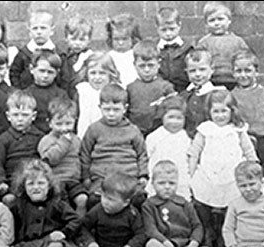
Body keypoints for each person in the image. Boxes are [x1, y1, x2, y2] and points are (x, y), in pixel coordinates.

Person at [188, 89, 258, 247]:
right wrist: (191, 174)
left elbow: (249, 152)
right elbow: (194, 152)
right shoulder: (205, 129)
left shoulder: (238, 130)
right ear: (209, 112)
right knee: (201, 197)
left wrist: (254, 169)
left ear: (232, 110)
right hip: (209, 174)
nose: (220, 116)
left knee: (232, 203)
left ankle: (225, 234)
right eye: (216, 111)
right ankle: (208, 231)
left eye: (224, 111)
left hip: (231, 176)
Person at [5, 159, 81, 247]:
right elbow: (13, 226)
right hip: (31, 245)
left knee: (56, 246)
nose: (36, 187)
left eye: (41, 183)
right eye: (30, 184)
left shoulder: (57, 204)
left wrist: (64, 232)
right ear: (23, 186)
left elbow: (75, 220)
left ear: (49, 185)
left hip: (51, 242)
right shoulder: (19, 206)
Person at [80, 83, 148, 211]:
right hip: (102, 178)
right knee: (95, 201)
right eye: (107, 109)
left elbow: (142, 154)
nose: (111, 114)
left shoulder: (133, 130)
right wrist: (86, 177)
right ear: (100, 107)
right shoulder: (94, 129)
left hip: (127, 176)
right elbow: (85, 154)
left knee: (139, 200)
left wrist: (143, 175)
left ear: (125, 108)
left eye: (116, 110)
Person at [143, 160, 212, 247]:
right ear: (153, 184)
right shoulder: (149, 205)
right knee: (151, 245)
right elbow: (151, 230)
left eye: (171, 183)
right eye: (161, 183)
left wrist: (194, 242)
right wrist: (165, 242)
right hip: (164, 246)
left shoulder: (184, 203)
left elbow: (197, 226)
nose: (167, 187)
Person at [79, 170, 147, 247]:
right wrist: (90, 243)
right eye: (104, 196)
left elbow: (141, 234)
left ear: (126, 202)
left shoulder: (132, 214)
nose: (105, 201)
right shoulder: (97, 210)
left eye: (111, 199)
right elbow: (83, 228)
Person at [0, 90, 44, 207]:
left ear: (33, 116)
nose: (20, 119)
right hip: (11, 183)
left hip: (34, 181)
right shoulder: (4, 139)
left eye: (25, 115)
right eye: (15, 115)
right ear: (8, 116)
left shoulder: (39, 137)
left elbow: (44, 161)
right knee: (10, 200)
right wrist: (2, 182)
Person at [38, 97, 88, 216]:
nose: (64, 128)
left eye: (68, 123)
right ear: (50, 123)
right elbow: (50, 159)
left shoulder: (76, 140)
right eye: (59, 124)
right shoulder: (46, 140)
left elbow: (81, 159)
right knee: (61, 204)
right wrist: (63, 142)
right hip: (56, 180)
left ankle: (79, 225)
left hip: (73, 181)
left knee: (83, 199)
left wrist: (85, 177)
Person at [231, 50, 264, 163]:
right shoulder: (231, 96)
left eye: (248, 71)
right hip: (244, 141)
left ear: (256, 72)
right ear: (233, 73)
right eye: (238, 71)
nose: (243, 75)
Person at [145, 96, 192, 201]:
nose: (174, 122)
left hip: (180, 180)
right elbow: (147, 156)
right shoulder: (155, 137)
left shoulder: (186, 138)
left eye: (179, 118)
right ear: (162, 117)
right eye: (170, 117)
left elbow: (189, 160)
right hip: (159, 178)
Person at [196, 1, 250, 90]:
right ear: (206, 24)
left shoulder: (238, 41)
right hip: (211, 81)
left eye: (220, 19)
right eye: (212, 20)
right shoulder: (203, 43)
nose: (217, 23)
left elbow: (247, 59)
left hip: (234, 81)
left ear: (229, 20)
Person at [126, 39, 175, 137]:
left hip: (160, 133)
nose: (147, 70)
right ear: (134, 65)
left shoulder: (166, 87)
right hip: (136, 133)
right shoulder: (130, 88)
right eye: (142, 66)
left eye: (151, 65)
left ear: (159, 64)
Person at [9, 10, 66, 90]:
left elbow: (64, 78)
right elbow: (14, 74)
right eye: (35, 28)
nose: (39, 32)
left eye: (43, 28)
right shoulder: (23, 54)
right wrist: (20, 92)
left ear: (52, 31)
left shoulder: (58, 54)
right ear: (29, 31)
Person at [178, 48, 224, 138]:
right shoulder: (183, 96)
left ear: (212, 70)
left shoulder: (218, 94)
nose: (197, 74)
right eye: (192, 71)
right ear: (186, 72)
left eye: (202, 69)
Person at [75, 51, 120, 139]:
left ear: (110, 74)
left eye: (102, 73)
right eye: (93, 73)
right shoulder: (82, 91)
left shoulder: (115, 91)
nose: (97, 77)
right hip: (85, 134)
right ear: (86, 73)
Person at [24, 49, 69, 134]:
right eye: (41, 71)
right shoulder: (26, 94)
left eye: (50, 72)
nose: (45, 76)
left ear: (56, 73)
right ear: (31, 69)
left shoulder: (61, 95)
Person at [155, 7, 193, 93]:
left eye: (172, 29)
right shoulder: (154, 48)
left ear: (179, 25)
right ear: (157, 27)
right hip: (161, 89)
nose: (168, 33)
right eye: (163, 30)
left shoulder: (188, 47)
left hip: (184, 89)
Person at [60, 15, 94, 97]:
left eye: (82, 39)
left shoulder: (91, 58)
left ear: (89, 40)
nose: (77, 43)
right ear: (66, 38)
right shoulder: (63, 57)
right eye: (73, 39)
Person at [106, 13, 142, 88]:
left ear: (133, 38)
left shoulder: (137, 54)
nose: (120, 43)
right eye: (116, 39)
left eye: (125, 39)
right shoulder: (108, 57)